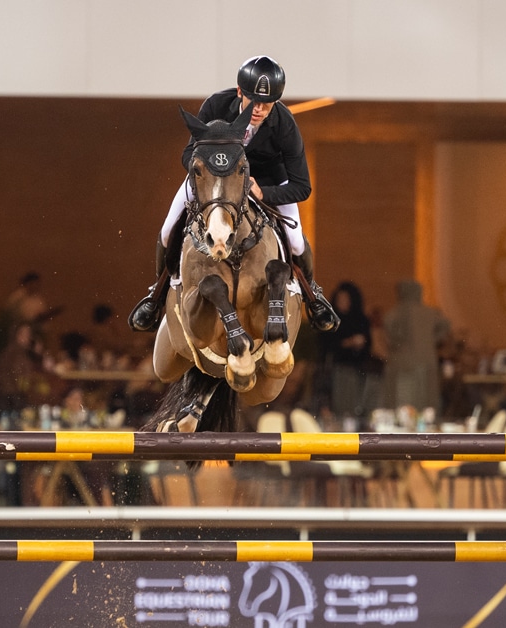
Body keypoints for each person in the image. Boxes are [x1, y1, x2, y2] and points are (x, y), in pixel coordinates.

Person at [128, 55, 339, 334]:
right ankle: (156, 295)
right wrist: (218, 173)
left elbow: (302, 185)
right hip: (217, 180)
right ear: (240, 92)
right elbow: (188, 154)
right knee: (169, 229)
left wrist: (264, 191)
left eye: (267, 104)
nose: (260, 109)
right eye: (253, 100)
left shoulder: (285, 124)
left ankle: (313, 295)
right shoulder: (215, 105)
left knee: (297, 242)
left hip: (268, 183)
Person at [382, 280, 451, 413]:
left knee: (403, 404)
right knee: (425, 404)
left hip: (403, 366)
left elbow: (388, 327)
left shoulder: (397, 312)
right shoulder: (430, 312)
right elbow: (445, 325)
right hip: (427, 363)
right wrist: (433, 339)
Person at [318, 282, 374, 421]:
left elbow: (368, 343)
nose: (342, 303)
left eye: (346, 300)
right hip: (337, 370)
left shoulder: (360, 320)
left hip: (358, 371)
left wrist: (360, 343)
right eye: (339, 300)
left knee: (356, 407)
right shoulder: (329, 319)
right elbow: (326, 344)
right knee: (339, 406)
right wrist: (348, 342)